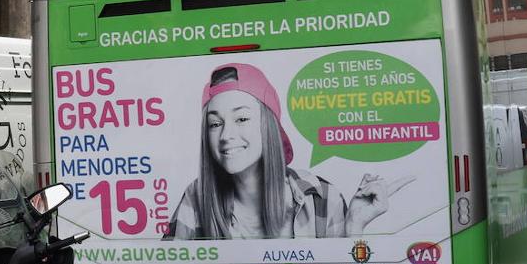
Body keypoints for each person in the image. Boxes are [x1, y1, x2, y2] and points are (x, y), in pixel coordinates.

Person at [165, 63, 411, 240]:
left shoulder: (321, 196)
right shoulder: (197, 198)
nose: (226, 135)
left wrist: (354, 227)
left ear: (268, 126)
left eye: (241, 118)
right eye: (215, 124)